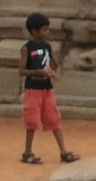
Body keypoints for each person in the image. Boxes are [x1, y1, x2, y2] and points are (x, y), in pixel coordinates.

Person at [19, 13, 78, 165]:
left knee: (54, 119)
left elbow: (53, 63)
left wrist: (52, 69)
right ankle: (27, 152)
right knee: (31, 120)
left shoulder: (47, 46)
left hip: (47, 89)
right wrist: (38, 72)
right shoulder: (27, 48)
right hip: (33, 90)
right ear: (34, 31)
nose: (48, 32)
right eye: (44, 29)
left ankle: (63, 151)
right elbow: (22, 71)